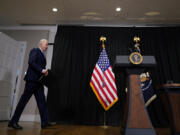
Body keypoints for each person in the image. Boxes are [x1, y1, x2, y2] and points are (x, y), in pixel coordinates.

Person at [8, 39, 51, 129]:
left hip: (39, 82)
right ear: (41, 44)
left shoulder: (42, 54)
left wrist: (44, 72)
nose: (47, 46)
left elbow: (39, 66)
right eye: (46, 45)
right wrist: (41, 70)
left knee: (42, 102)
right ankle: (13, 122)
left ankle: (45, 122)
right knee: (23, 101)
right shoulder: (34, 50)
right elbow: (31, 62)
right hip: (31, 81)